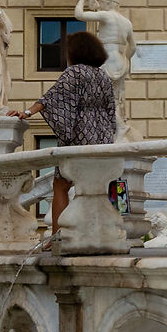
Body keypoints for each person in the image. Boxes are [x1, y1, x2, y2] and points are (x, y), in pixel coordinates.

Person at [19, 28, 119, 230]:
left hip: (80, 132)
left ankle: (59, 235)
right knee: (104, 184)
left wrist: (27, 113)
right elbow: (111, 109)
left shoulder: (75, 72)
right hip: (103, 134)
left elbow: (51, 98)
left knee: (61, 185)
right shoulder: (103, 76)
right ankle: (111, 229)